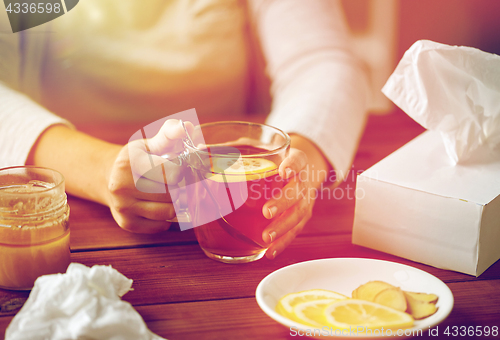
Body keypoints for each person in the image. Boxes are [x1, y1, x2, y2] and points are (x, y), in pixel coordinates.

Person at [0, 0, 369, 259]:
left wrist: (298, 162)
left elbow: (323, 62)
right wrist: (105, 170)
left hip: (238, 203)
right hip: (67, 210)